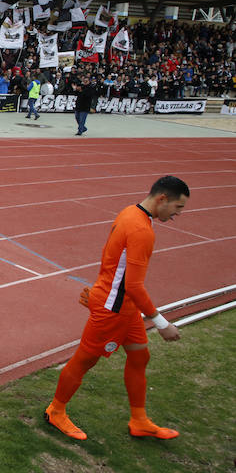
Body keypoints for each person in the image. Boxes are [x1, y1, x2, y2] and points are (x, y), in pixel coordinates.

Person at [45, 176, 189, 441]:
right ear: (162, 199)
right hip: (113, 309)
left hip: (123, 306)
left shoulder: (131, 212)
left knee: (139, 357)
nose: (178, 214)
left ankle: (139, 420)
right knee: (85, 360)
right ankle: (56, 411)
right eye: (178, 207)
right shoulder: (141, 230)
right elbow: (133, 285)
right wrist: (162, 324)